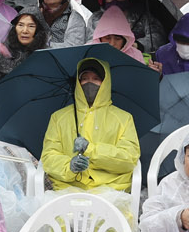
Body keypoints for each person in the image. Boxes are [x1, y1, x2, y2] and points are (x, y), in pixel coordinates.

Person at [40, 56, 139, 216]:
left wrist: (91, 150)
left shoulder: (123, 118)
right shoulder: (59, 117)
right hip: (68, 189)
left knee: (107, 226)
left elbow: (128, 159)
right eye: (84, 79)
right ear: (77, 84)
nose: (89, 83)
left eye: (96, 79)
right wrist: (69, 166)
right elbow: (49, 156)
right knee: (60, 223)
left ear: (105, 83)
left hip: (110, 190)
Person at [0, 12, 44, 90]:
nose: (24, 31)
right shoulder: (3, 50)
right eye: (20, 25)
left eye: (31, 26)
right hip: (4, 98)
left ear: (38, 30)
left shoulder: (45, 54)